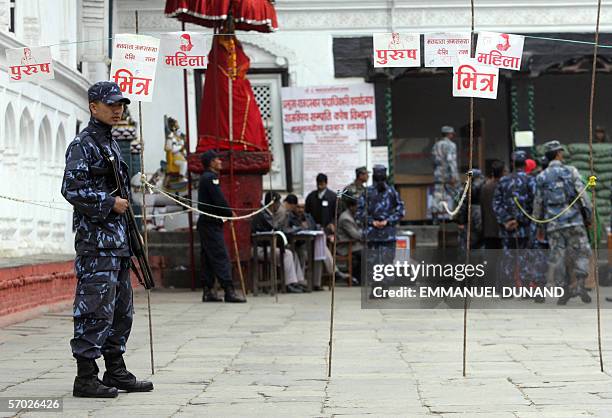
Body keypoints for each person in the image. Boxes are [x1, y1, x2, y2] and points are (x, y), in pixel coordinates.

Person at [61, 81, 153, 398]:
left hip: (119, 241)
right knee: (94, 308)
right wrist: (108, 202)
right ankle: (86, 376)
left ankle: (115, 369)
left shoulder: (111, 145)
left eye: (121, 104)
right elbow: (71, 189)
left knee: (120, 310)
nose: (118, 109)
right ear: (93, 106)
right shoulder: (82, 144)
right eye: (112, 104)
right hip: (96, 243)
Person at [533, 140, 593, 305]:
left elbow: (538, 203)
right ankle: (580, 284)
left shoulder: (541, 177)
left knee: (558, 257)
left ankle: (565, 289)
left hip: (554, 225)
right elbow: (583, 196)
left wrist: (539, 224)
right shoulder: (571, 171)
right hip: (574, 221)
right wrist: (588, 215)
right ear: (559, 154)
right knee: (581, 252)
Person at [197, 150, 246, 303]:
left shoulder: (206, 178)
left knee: (208, 258)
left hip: (206, 223)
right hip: (210, 224)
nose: (219, 161)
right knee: (220, 255)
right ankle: (228, 290)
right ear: (211, 162)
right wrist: (229, 213)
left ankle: (208, 290)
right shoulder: (210, 178)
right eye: (217, 159)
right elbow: (219, 200)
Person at [493, 151, 540, 298]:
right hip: (526, 228)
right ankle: (526, 290)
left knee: (508, 257)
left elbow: (496, 204)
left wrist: (507, 220)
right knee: (526, 257)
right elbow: (536, 203)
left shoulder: (503, 181)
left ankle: (507, 290)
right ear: (525, 163)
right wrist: (523, 220)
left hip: (508, 228)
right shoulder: (531, 180)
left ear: (512, 163)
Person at [357, 165, 405, 296]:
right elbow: (359, 212)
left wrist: (383, 221)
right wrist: (377, 221)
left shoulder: (390, 192)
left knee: (381, 262)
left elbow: (401, 210)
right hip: (377, 235)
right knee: (379, 262)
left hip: (381, 234)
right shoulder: (389, 192)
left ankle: (381, 288)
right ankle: (379, 288)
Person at [251, 192, 307, 293]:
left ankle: (298, 281)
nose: (279, 206)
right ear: (272, 204)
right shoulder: (263, 215)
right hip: (260, 249)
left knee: (292, 252)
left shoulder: (269, 214)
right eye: (277, 203)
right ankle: (289, 283)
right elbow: (275, 229)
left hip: (268, 246)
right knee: (288, 254)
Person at [431, 126, 459, 223]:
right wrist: (454, 176)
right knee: (457, 194)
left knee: (437, 195)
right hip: (448, 174)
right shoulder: (451, 145)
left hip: (438, 173)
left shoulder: (436, 145)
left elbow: (434, 162)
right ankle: (457, 216)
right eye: (452, 133)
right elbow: (451, 161)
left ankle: (435, 216)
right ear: (449, 134)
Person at [337, 191, 364, 285]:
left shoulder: (352, 215)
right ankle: (359, 279)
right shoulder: (346, 218)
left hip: (354, 244)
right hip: (345, 246)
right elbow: (356, 235)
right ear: (352, 206)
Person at [456, 168, 484, 251]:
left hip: (471, 213)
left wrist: (460, 221)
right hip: (478, 213)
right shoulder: (482, 185)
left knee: (468, 240)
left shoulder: (468, 187)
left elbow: (463, 204)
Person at [480, 160, 505, 250]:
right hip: (503, 228)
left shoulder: (485, 187)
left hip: (488, 228)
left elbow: (482, 207)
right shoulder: (504, 186)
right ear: (502, 172)